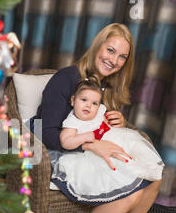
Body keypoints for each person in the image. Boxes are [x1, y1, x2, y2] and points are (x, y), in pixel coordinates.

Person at [33, 23, 163, 213]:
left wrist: (118, 122)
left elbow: (96, 123)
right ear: (97, 46)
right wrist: (91, 144)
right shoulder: (67, 78)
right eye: (110, 50)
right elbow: (45, 133)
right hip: (59, 149)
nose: (114, 60)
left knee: (155, 172)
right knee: (133, 189)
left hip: (91, 146)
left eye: (122, 56)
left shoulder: (108, 86)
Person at [53, 75, 164, 203]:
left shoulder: (99, 112)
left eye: (94, 103)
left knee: (134, 155)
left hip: (113, 142)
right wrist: (83, 137)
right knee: (116, 167)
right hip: (91, 155)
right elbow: (65, 141)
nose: (89, 106)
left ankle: (141, 169)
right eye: (84, 100)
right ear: (73, 101)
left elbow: (107, 123)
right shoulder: (73, 122)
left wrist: (115, 124)